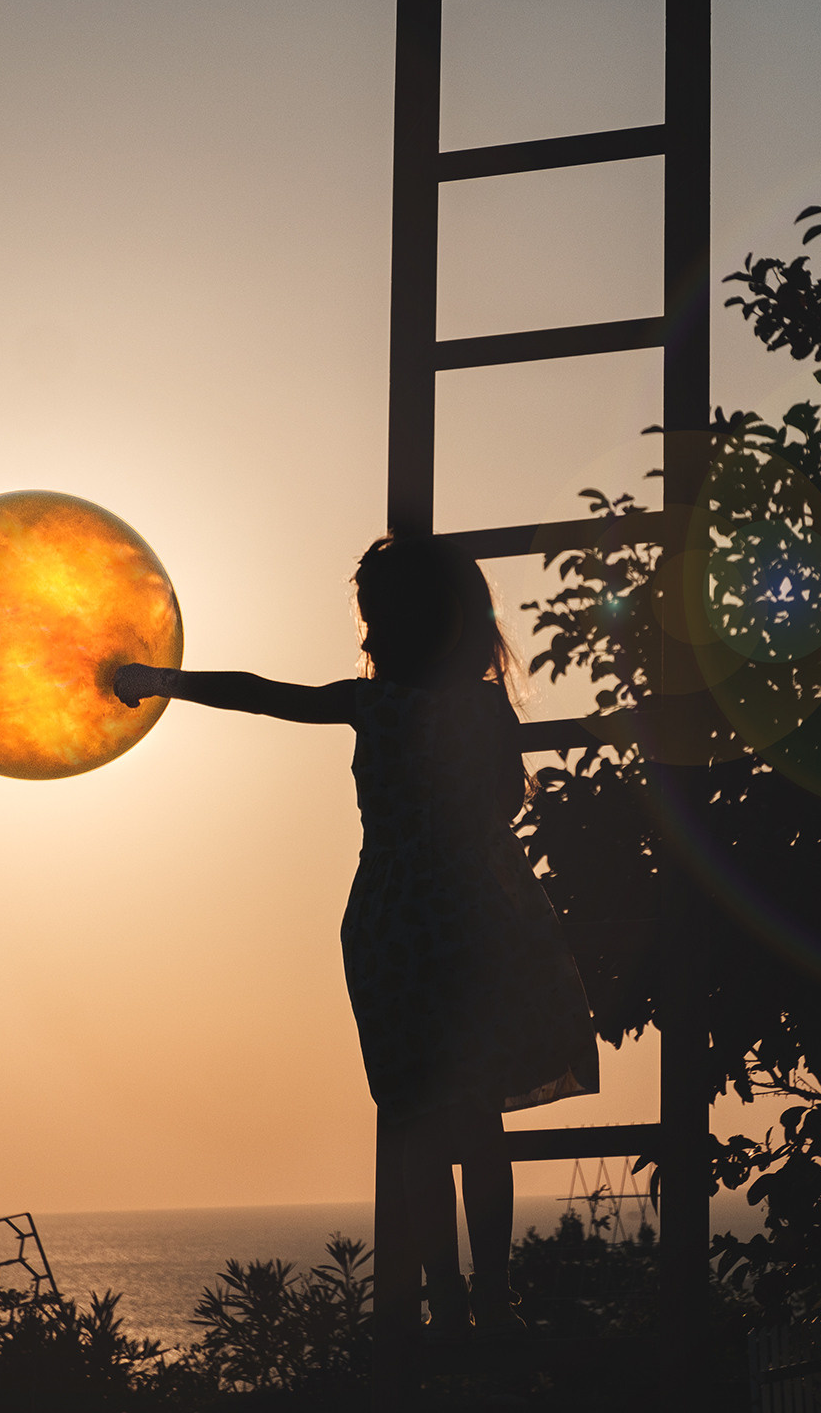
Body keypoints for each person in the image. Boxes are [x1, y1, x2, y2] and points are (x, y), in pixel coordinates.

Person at [114, 532, 599, 1336]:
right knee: (473, 1121)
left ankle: (454, 1299)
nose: (368, 640)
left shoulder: (380, 705)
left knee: (421, 1122)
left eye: (379, 620)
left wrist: (162, 681)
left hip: (399, 928)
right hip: (470, 922)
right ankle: (490, 1295)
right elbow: (502, 804)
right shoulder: (482, 708)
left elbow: (264, 694)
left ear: (419, 623)